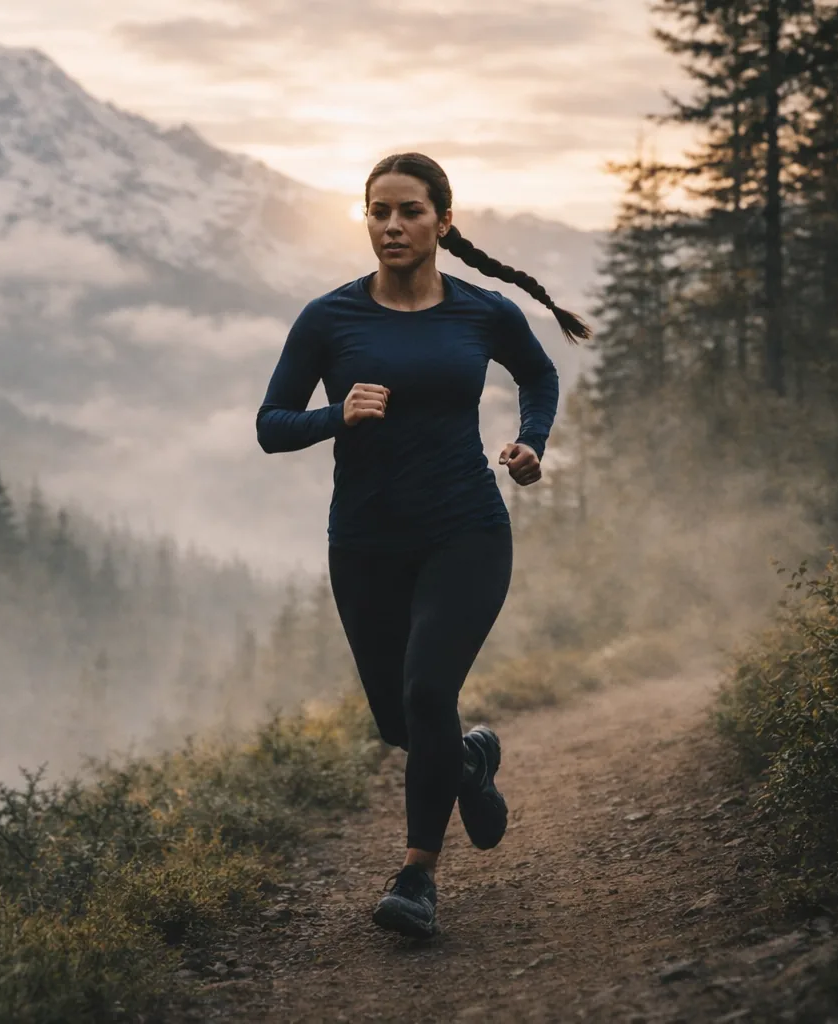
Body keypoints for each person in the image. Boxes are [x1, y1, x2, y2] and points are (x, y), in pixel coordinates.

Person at [255, 152, 590, 939]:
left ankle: (417, 877)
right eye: (379, 212)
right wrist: (337, 416)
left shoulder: (481, 311)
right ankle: (469, 762)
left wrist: (531, 442)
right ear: (365, 220)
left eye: (408, 211)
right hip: (366, 543)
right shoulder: (328, 318)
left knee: (427, 692)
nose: (392, 226)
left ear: (443, 220)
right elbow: (271, 426)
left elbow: (539, 377)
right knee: (403, 724)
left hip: (465, 530)